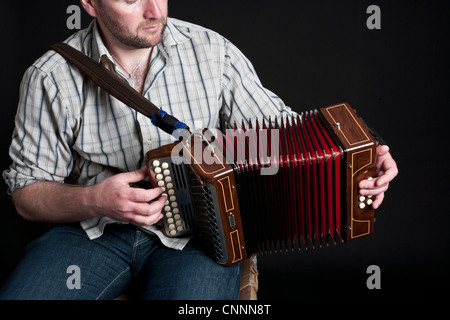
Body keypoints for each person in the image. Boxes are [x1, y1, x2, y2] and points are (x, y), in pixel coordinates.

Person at [0, 0, 398, 300]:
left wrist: (361, 155)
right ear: (89, 4)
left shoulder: (212, 51)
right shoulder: (49, 76)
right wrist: (96, 199)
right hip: (92, 233)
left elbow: (282, 135)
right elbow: (26, 195)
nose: (154, 10)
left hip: (204, 237)